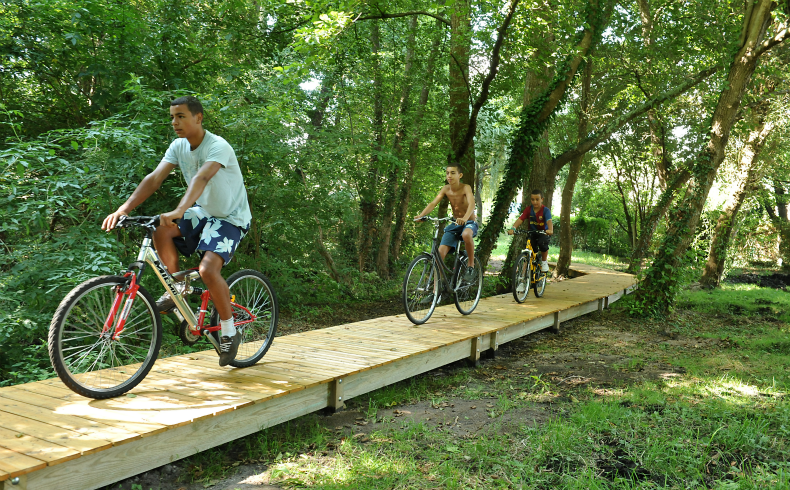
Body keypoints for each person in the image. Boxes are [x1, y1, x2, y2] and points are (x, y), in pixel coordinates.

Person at [101, 96, 251, 367]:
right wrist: (124, 209)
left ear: (198, 118)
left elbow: (201, 178)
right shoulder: (178, 146)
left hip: (231, 217)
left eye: (181, 116)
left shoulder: (218, 146)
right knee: (161, 228)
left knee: (207, 271)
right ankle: (176, 288)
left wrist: (179, 210)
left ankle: (229, 330)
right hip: (204, 213)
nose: (174, 122)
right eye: (172, 117)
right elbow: (154, 178)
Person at [414, 164, 478, 282]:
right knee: (439, 255)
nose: (449, 175)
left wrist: (464, 218)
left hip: (469, 222)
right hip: (455, 224)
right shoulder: (445, 189)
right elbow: (433, 203)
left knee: (466, 234)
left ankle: (470, 266)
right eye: (447, 173)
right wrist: (421, 215)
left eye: (453, 173)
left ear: (460, 175)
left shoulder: (465, 187)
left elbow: (472, 204)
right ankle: (436, 291)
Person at [508, 189, 553, 284]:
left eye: (537, 199)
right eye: (532, 199)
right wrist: (513, 228)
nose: (535, 202)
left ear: (542, 199)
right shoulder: (528, 210)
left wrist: (550, 230)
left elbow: (549, 221)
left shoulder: (545, 210)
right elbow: (520, 219)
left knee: (542, 243)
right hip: (532, 233)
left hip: (543, 233)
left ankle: (544, 262)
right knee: (528, 254)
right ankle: (522, 280)